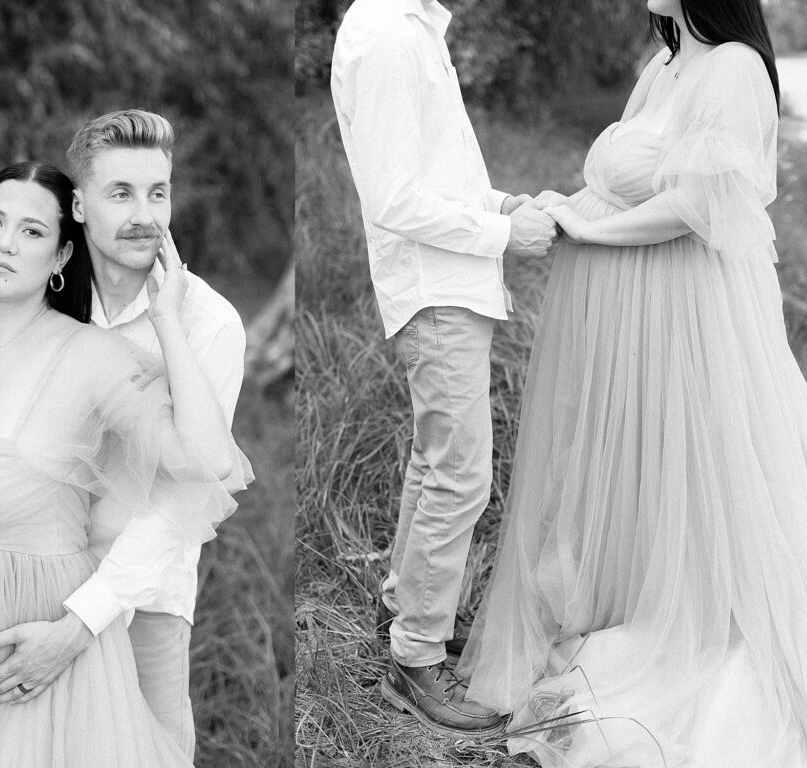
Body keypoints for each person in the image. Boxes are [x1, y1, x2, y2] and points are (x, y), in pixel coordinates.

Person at [457, 1, 807, 765]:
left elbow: (694, 206)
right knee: (641, 471)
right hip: (631, 314)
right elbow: (621, 184)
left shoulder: (736, 70)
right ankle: (638, 602)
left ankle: (692, 629)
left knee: (699, 471)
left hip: (685, 317)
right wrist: (562, 207)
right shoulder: (666, 64)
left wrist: (591, 231)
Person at [0, 160, 245, 767]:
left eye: (33, 231)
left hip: (22, 664)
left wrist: (168, 317)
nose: (6, 242)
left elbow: (207, 461)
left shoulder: (93, 357)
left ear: (63, 256)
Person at [0, 110, 249, 760]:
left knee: (151, 748)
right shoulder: (37, 300)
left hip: (142, 586)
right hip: (27, 571)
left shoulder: (209, 324)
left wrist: (78, 625)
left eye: (158, 191)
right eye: (121, 192)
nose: (144, 213)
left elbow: (181, 503)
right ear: (80, 205)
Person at [330, 0, 558, 739]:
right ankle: (416, 659)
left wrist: (500, 205)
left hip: (448, 284)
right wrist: (501, 233)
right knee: (462, 475)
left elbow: (431, 175)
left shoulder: (415, 27)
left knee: (437, 465)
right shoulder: (392, 35)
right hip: (435, 291)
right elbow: (394, 199)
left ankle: (404, 614)